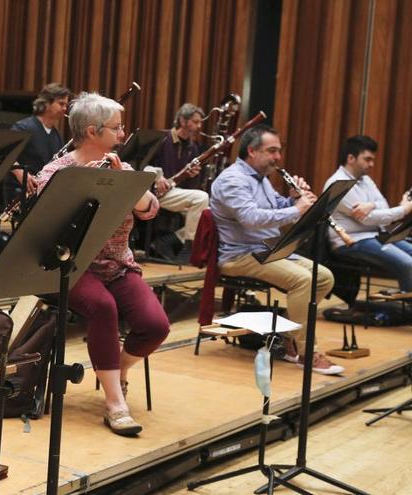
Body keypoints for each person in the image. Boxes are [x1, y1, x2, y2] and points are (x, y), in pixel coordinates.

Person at [36, 92, 170, 436]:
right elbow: (48, 230)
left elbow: (149, 208)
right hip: (72, 268)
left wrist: (124, 182)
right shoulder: (57, 174)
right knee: (102, 307)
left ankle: (117, 368)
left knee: (156, 326)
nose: (123, 135)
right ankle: (114, 403)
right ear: (93, 132)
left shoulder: (121, 167)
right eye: (116, 128)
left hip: (117, 264)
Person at [210, 124, 343, 375]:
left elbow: (274, 207)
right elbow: (251, 217)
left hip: (270, 249)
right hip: (241, 254)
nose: (278, 157)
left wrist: (293, 198)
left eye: (278, 151)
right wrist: (297, 209)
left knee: (324, 277)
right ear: (252, 151)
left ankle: (288, 334)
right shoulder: (232, 180)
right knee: (304, 280)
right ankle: (306, 352)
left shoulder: (261, 180)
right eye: (272, 151)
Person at [324, 135, 412, 291]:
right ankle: (401, 311)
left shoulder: (365, 179)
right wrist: (405, 209)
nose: (371, 164)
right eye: (367, 159)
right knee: (408, 264)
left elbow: (383, 205)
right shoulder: (337, 183)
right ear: (351, 158)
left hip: (375, 236)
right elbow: (368, 219)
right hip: (352, 241)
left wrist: (370, 204)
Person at [147, 103, 209, 261]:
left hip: (172, 192)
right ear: (182, 121)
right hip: (152, 192)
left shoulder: (192, 148)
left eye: (200, 122)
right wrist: (157, 176)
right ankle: (189, 246)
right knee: (200, 198)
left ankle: (170, 240)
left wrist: (193, 176)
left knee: (210, 213)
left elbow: (190, 187)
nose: (199, 126)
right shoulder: (162, 139)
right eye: (195, 122)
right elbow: (140, 164)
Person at [3, 83, 71, 208]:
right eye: (61, 103)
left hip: (43, 196)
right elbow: (4, 153)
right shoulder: (23, 127)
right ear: (46, 103)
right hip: (19, 194)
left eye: (66, 104)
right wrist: (20, 172)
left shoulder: (57, 135)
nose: (65, 108)